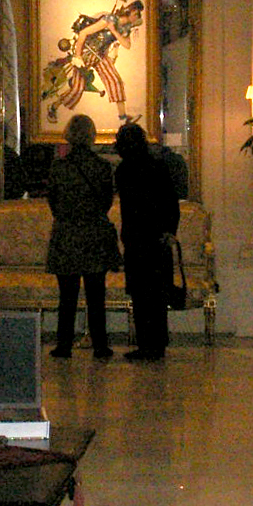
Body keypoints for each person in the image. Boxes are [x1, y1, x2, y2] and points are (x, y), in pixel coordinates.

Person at [45, 115, 121, 360]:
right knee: (95, 295)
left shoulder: (59, 167)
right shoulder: (101, 167)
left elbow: (53, 202)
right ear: (91, 135)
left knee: (66, 296)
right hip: (93, 234)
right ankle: (100, 345)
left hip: (66, 234)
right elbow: (106, 202)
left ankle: (64, 344)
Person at [114, 121, 179, 361]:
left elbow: (129, 208)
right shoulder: (158, 166)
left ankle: (145, 345)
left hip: (135, 238)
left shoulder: (123, 171)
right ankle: (158, 344)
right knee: (158, 295)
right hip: (158, 237)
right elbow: (171, 202)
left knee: (141, 295)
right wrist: (170, 231)